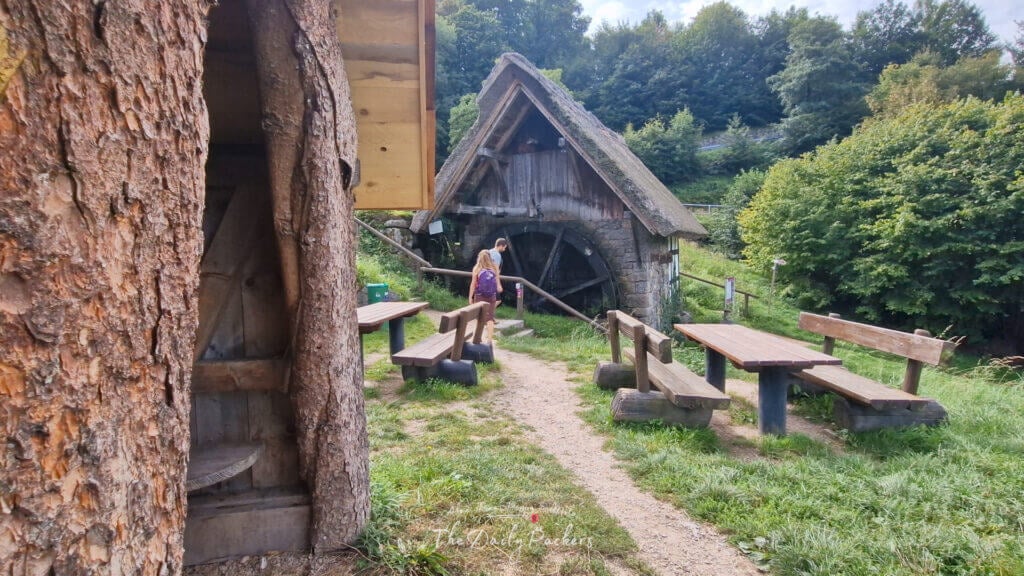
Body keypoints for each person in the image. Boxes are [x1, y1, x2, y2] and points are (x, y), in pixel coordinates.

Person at [469, 249, 502, 344]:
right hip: (492, 296)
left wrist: (470, 297)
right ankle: (490, 340)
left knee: (480, 317)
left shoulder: (477, 268)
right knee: (490, 318)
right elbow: (496, 282)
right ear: (489, 258)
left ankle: (478, 338)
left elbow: (473, 284)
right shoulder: (494, 268)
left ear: (479, 257)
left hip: (479, 296)